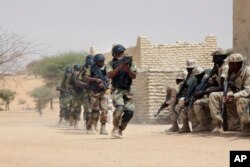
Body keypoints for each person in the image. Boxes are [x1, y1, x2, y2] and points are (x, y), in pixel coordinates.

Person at [209, 53, 250, 134]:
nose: (229, 65)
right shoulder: (231, 72)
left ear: (237, 63)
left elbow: (248, 91)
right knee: (213, 95)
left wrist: (233, 95)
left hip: (246, 98)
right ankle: (218, 124)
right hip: (236, 95)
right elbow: (226, 87)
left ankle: (247, 127)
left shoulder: (248, 71)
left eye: (230, 63)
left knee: (240, 100)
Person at [106, 44, 137, 138]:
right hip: (117, 90)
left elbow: (134, 76)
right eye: (118, 53)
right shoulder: (110, 64)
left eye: (122, 52)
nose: (120, 54)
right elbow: (109, 75)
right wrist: (119, 68)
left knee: (129, 112)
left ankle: (120, 129)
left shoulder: (130, 62)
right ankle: (115, 128)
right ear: (114, 54)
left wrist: (127, 70)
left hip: (128, 90)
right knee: (120, 108)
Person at [84, 54, 109, 135]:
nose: (102, 62)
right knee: (95, 113)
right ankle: (89, 125)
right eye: (100, 61)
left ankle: (103, 128)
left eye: (102, 61)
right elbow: (86, 78)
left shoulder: (106, 68)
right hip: (94, 92)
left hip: (103, 92)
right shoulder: (91, 68)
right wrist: (96, 80)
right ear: (96, 62)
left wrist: (105, 84)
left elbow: (109, 77)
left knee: (104, 111)